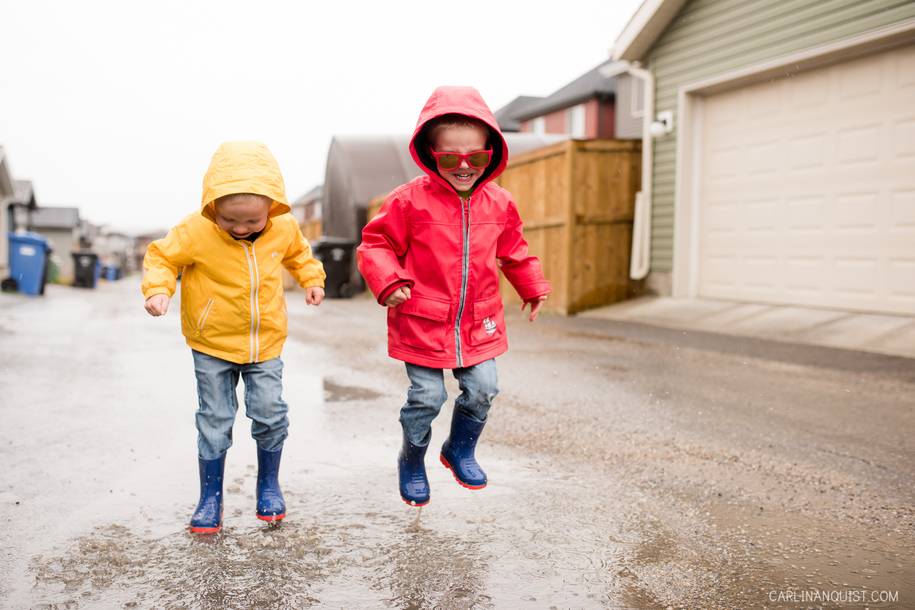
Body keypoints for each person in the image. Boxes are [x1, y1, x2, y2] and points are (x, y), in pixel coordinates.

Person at [357, 86, 551, 507]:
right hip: (423, 318)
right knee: (428, 397)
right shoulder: (408, 202)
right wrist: (389, 281)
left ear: (491, 154)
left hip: (479, 320)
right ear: (430, 154)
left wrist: (532, 286)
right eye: (451, 159)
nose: (465, 168)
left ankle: (459, 449)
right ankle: (412, 458)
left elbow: (513, 250)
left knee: (484, 387)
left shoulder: (500, 202)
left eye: (476, 158)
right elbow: (375, 245)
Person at [142, 141, 326, 533]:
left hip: (265, 343)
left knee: (270, 413)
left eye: (252, 222)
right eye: (230, 221)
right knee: (215, 418)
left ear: (271, 209)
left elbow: (300, 254)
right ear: (213, 208)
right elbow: (161, 257)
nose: (241, 229)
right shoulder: (195, 230)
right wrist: (158, 289)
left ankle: (269, 483)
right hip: (211, 344)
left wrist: (311, 278)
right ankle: (211, 497)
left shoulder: (284, 227)